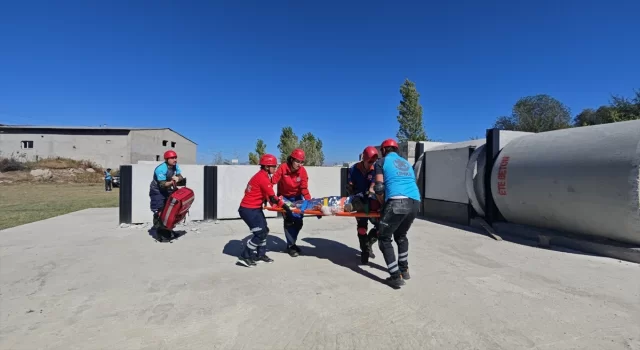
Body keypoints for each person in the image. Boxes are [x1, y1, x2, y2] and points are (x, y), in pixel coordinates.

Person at [373, 138, 421, 288]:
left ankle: (395, 276)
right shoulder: (406, 163)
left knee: (384, 238)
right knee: (401, 235)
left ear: (384, 150)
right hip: (415, 202)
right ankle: (404, 269)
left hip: (397, 202)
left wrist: (382, 204)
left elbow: (379, 188)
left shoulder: (381, 162)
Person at [237, 154, 294, 267]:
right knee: (260, 233)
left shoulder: (262, 176)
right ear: (267, 167)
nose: (276, 168)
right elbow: (272, 197)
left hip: (254, 208)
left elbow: (264, 194)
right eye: (274, 166)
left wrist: (267, 201)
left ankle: (260, 255)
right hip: (248, 210)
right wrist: (286, 207)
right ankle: (245, 256)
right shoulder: (262, 178)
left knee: (265, 230)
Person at [271, 148, 316, 257]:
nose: (299, 164)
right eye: (297, 161)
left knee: (299, 222)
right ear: (291, 159)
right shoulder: (283, 168)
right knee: (289, 221)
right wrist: (267, 196)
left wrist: (311, 203)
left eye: (301, 162)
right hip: (284, 197)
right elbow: (272, 182)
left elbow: (304, 189)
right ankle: (291, 246)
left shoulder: (302, 171)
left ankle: (292, 243)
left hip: (297, 198)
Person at [346, 146, 381, 265]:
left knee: (381, 227)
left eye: (374, 161)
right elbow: (350, 186)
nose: (372, 163)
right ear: (364, 159)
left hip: (372, 201)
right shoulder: (353, 169)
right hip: (360, 201)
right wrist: (350, 190)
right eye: (370, 161)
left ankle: (369, 243)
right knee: (362, 228)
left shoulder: (376, 169)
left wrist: (372, 191)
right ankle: (365, 251)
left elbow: (373, 186)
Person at [149, 150, 184, 241]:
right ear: (166, 159)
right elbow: (162, 184)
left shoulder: (175, 166)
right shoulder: (160, 169)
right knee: (159, 211)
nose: (175, 160)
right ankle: (159, 233)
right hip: (157, 191)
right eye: (172, 158)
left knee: (170, 211)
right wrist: (173, 181)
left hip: (167, 190)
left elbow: (181, 177)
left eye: (175, 157)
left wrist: (178, 178)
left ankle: (168, 230)